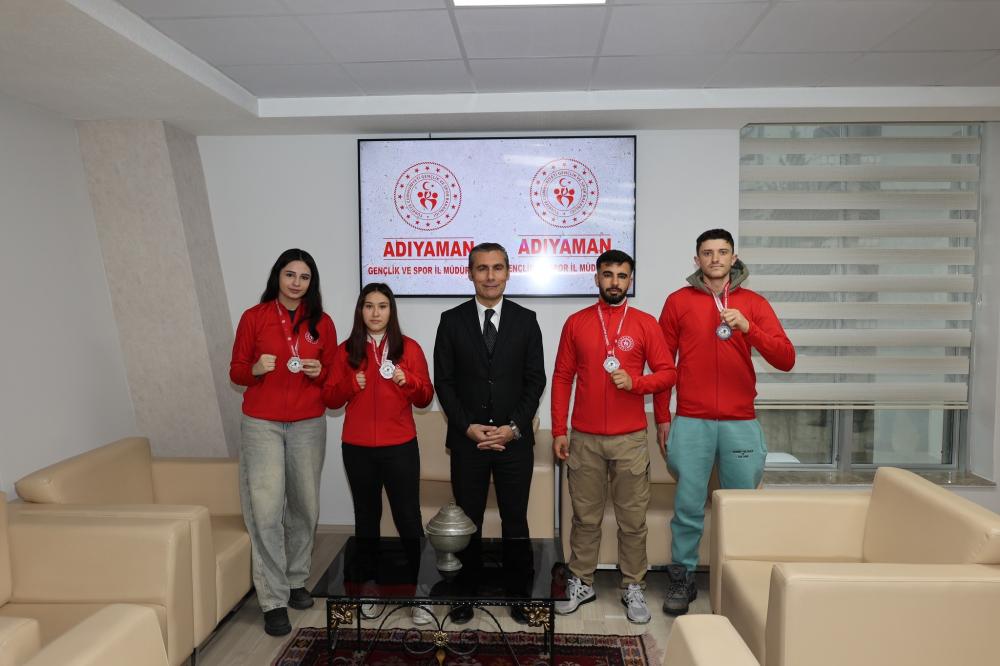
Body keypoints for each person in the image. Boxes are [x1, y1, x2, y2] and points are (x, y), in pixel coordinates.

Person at [654, 228, 795, 616]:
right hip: (692, 420)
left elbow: (786, 359)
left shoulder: (754, 303)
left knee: (741, 508)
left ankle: (740, 582)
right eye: (707, 252)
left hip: (739, 422)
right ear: (697, 259)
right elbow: (664, 365)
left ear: (734, 258)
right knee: (688, 507)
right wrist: (663, 416)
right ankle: (682, 577)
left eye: (722, 252)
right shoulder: (678, 302)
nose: (715, 259)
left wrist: (750, 329)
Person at [550, 249, 677, 624]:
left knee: (632, 520)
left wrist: (636, 383)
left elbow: (668, 373)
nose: (615, 282)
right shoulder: (576, 323)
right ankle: (581, 581)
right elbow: (562, 378)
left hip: (630, 439)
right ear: (597, 278)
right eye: (608, 275)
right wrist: (558, 429)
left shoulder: (644, 323)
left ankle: (633, 584)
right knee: (584, 518)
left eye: (622, 276)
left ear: (630, 280)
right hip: (584, 438)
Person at [433, 242, 546, 624]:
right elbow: (444, 382)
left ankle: (519, 596)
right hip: (469, 443)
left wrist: (513, 428)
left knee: (515, 520)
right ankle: (465, 595)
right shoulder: (451, 320)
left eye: (497, 268)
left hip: (514, 443)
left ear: (508, 272)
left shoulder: (526, 320)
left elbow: (535, 380)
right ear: (470, 273)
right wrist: (467, 427)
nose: (490, 276)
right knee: (469, 522)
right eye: (482, 268)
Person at [229, 248, 337, 637]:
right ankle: (273, 598)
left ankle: (295, 580)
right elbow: (236, 371)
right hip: (262, 425)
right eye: (290, 274)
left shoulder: (322, 322)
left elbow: (333, 378)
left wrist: (320, 371)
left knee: (305, 506)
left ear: (311, 283)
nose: (296, 282)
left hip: (308, 423)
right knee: (267, 509)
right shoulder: (254, 317)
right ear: (278, 276)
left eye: (304, 277)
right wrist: (255, 369)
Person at [323, 282, 434, 625]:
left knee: (408, 518)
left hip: (400, 446)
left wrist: (407, 380)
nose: (375, 312)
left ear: (391, 311)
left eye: (382, 306)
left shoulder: (409, 348)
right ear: (360, 310)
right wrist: (348, 385)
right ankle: (369, 587)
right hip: (357, 448)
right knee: (366, 518)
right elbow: (330, 398)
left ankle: (421, 590)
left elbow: (426, 397)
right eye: (369, 306)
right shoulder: (345, 351)